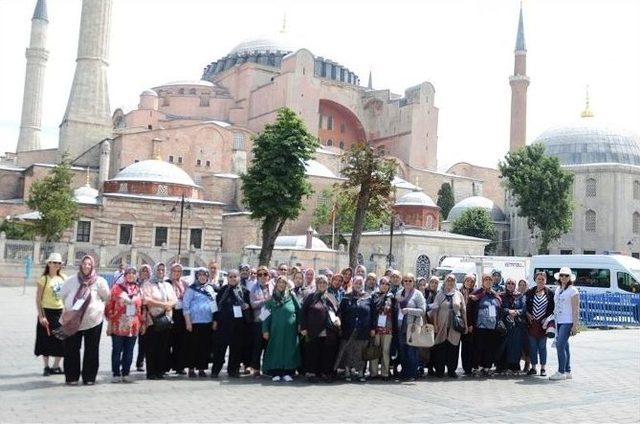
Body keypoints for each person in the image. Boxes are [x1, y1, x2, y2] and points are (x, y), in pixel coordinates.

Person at [59, 255, 110, 385]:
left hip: (93, 321)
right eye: (84, 263)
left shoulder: (99, 281)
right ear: (80, 265)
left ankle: (89, 377)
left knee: (91, 349)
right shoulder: (71, 280)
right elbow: (63, 295)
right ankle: (72, 377)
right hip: (73, 320)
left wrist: (97, 307)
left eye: (89, 264)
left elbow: (106, 296)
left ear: (93, 266)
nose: (86, 266)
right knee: (71, 349)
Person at [105, 266, 145, 383]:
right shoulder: (117, 288)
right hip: (118, 324)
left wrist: (142, 322)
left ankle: (126, 372)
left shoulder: (138, 289)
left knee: (129, 351)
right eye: (129, 273)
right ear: (125, 275)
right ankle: (116, 373)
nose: (131, 275)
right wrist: (110, 322)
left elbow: (142, 308)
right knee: (117, 350)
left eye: (133, 273)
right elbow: (109, 305)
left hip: (133, 325)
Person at [300, 275, 340, 383]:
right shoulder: (311, 297)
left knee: (327, 352)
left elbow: (337, 311)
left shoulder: (331, 297)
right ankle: (312, 373)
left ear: (328, 284)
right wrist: (303, 327)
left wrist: (338, 319)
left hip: (329, 330)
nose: (322, 285)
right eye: (320, 282)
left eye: (325, 283)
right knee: (313, 351)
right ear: (317, 284)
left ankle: (325, 373)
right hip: (313, 330)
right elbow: (303, 312)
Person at [211, 269, 250, 378]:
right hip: (223, 324)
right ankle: (215, 370)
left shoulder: (245, 291)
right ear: (227, 278)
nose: (233, 279)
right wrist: (215, 320)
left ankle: (233, 370)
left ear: (239, 278)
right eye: (230, 277)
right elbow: (215, 305)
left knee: (236, 349)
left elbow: (249, 308)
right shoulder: (223, 290)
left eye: (235, 276)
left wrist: (246, 307)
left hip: (238, 325)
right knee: (220, 349)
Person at [141, 262, 177, 380]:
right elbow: (146, 300)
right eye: (158, 270)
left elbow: (174, 299)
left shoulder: (167, 285)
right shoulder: (148, 284)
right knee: (151, 347)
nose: (161, 272)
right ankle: (151, 372)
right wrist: (163, 304)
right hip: (153, 320)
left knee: (163, 346)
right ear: (155, 271)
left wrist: (169, 304)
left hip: (165, 319)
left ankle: (160, 370)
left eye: (162, 270)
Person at [262, 276, 301, 382]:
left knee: (289, 349)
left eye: (284, 282)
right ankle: (275, 372)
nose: (281, 284)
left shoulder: (292, 296)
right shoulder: (271, 298)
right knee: (276, 349)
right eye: (279, 282)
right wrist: (265, 330)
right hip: (276, 330)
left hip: (290, 331)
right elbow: (264, 316)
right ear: (276, 284)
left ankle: (288, 372)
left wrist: (299, 324)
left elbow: (299, 311)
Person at [336, 276, 375, 382]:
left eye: (360, 283)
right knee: (348, 351)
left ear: (363, 284)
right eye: (356, 283)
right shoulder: (346, 297)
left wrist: (372, 328)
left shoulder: (368, 297)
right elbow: (340, 313)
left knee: (361, 352)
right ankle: (348, 371)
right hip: (348, 330)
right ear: (353, 284)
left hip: (363, 330)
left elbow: (373, 314)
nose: (358, 285)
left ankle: (361, 372)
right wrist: (339, 325)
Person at [35, 252, 66, 376]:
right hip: (47, 312)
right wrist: (41, 316)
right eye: (54, 263)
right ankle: (46, 366)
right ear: (49, 264)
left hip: (60, 312)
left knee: (62, 339)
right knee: (45, 340)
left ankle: (56, 366)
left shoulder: (63, 278)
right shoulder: (44, 279)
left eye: (58, 263)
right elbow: (38, 299)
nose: (56, 265)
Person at [432, 274, 467, 378]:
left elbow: (463, 311)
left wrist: (465, 324)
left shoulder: (458, 294)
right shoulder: (440, 294)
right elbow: (435, 310)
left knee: (453, 348)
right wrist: (435, 324)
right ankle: (440, 370)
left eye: (452, 280)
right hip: (442, 325)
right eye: (448, 280)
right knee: (440, 348)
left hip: (454, 326)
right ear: (445, 282)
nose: (450, 282)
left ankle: (452, 370)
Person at [467, 273, 502, 377]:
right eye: (486, 279)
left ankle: (486, 367)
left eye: (490, 280)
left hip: (492, 327)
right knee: (478, 348)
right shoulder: (477, 293)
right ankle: (476, 368)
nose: (488, 281)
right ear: (482, 282)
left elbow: (499, 306)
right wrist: (470, 324)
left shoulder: (494, 294)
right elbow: (469, 310)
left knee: (489, 348)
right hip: (479, 326)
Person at [183, 267, 216, 378]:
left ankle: (202, 368)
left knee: (205, 347)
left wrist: (215, 319)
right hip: (194, 322)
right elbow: (186, 306)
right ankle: (191, 369)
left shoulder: (210, 288)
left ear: (207, 276)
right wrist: (188, 322)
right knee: (193, 346)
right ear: (197, 276)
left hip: (207, 322)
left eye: (204, 275)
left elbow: (214, 305)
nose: (202, 277)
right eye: (200, 275)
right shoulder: (191, 289)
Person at [550, 267, 580, 381]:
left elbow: (576, 309)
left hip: (568, 321)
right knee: (565, 346)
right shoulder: (558, 289)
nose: (563, 277)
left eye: (566, 276)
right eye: (562, 275)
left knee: (560, 345)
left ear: (570, 278)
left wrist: (575, 325)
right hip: (559, 320)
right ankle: (567, 371)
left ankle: (561, 371)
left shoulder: (573, 291)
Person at [395, 273, 426, 381]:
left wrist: (409, 310)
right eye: (406, 280)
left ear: (414, 282)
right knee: (403, 351)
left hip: (412, 326)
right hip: (400, 327)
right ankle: (404, 373)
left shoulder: (417, 294)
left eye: (410, 281)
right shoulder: (399, 294)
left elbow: (422, 311)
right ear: (402, 282)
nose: (407, 283)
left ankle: (412, 374)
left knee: (412, 351)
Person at [525, 271, 554, 377]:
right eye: (539, 279)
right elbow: (525, 305)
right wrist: (528, 314)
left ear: (545, 280)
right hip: (532, 323)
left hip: (543, 324)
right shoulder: (530, 292)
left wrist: (547, 318)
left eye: (543, 279)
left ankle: (543, 368)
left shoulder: (550, 293)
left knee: (542, 346)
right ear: (535, 280)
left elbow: (552, 308)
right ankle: (533, 367)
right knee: (532, 346)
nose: (541, 281)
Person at [499, 278, 527, 374]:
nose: (510, 285)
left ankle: (515, 367)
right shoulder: (501, 295)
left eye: (512, 283)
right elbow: (500, 308)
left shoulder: (520, 296)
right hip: (505, 325)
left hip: (517, 325)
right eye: (509, 283)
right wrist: (508, 311)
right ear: (506, 285)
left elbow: (523, 308)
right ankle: (504, 367)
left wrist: (516, 312)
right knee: (505, 346)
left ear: (515, 286)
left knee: (516, 346)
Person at [369, 277, 395, 380]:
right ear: (379, 284)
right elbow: (371, 313)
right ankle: (373, 372)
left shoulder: (392, 297)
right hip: (376, 328)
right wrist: (371, 327)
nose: (384, 285)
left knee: (385, 351)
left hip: (388, 328)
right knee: (375, 350)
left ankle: (385, 373)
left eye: (387, 284)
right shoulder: (373, 296)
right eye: (383, 283)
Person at [248, 266, 272, 376]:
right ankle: (256, 368)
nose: (263, 276)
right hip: (258, 321)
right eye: (260, 274)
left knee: (268, 346)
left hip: (270, 321)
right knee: (257, 346)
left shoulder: (273, 286)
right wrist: (266, 300)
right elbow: (253, 304)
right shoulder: (254, 288)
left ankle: (267, 367)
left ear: (269, 276)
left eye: (265, 274)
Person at [167, 263, 188, 374]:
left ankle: (179, 366)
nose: (177, 273)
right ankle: (165, 366)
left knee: (180, 341)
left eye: (179, 271)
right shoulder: (167, 283)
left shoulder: (184, 283)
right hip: (170, 313)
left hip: (182, 315)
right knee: (167, 341)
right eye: (175, 271)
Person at [135, 264, 152, 372]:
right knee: (130, 339)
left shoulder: (151, 285)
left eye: (147, 271)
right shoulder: (134, 284)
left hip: (146, 313)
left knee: (143, 339)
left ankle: (140, 362)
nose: (145, 273)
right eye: (143, 271)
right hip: (134, 314)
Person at [460, 273, 477, 375]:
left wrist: (471, 324)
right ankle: (465, 367)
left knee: (470, 346)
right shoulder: (459, 292)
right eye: (468, 280)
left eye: (472, 281)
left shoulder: (475, 293)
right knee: (463, 348)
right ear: (464, 281)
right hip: (461, 324)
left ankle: (469, 368)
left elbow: (474, 311)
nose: (469, 283)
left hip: (471, 325)